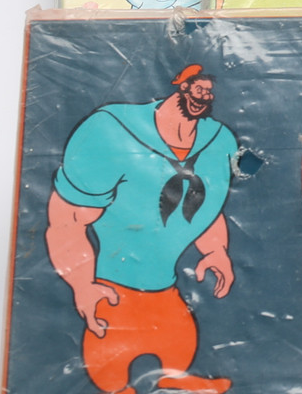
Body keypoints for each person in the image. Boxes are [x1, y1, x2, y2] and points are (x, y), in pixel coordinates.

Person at [46, 66, 237, 394]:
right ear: (180, 85)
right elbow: (69, 218)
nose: (204, 96)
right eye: (197, 88)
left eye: (209, 91)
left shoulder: (220, 141)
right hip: (114, 287)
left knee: (178, 339)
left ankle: (173, 378)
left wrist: (216, 249)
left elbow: (207, 204)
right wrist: (81, 283)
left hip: (166, 290)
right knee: (110, 362)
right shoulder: (111, 130)